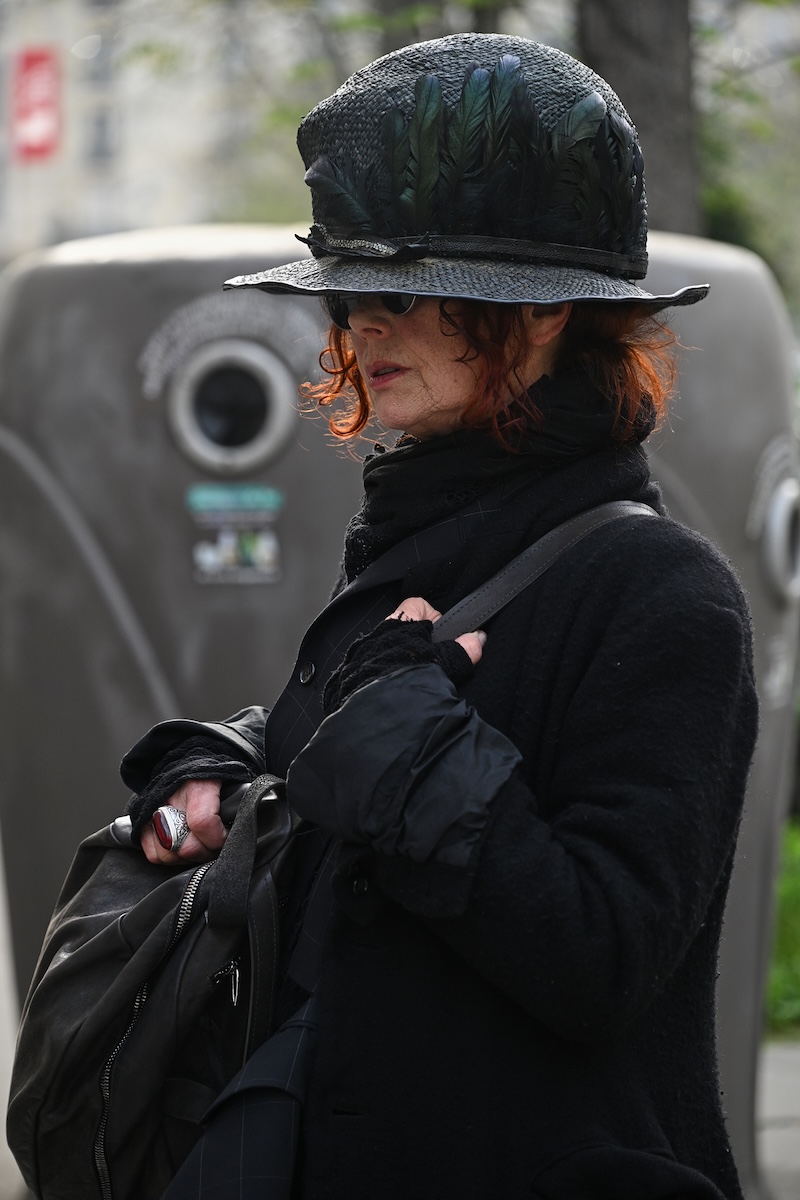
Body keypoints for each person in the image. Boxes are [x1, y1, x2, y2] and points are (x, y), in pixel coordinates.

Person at [122, 32, 758, 1200]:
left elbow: (603, 956)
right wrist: (227, 771)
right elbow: (359, 737)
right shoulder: (420, 531)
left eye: (404, 291)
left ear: (543, 314)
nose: (362, 324)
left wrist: (404, 749)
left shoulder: (663, 593)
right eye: (348, 291)